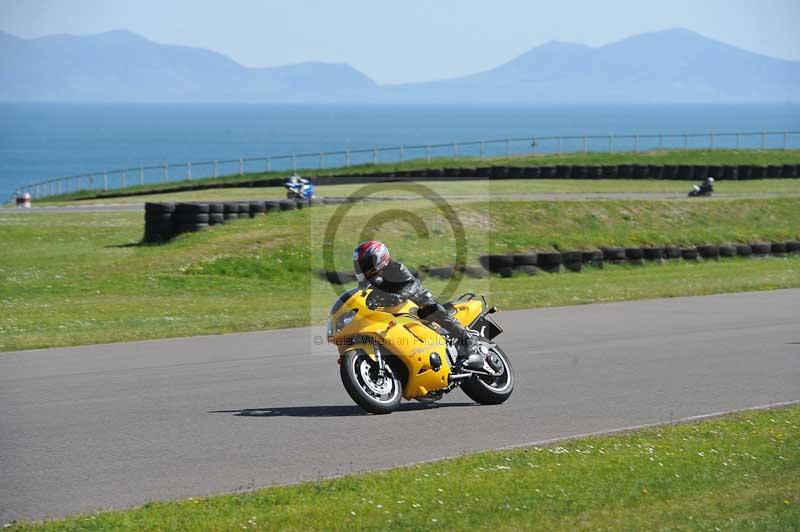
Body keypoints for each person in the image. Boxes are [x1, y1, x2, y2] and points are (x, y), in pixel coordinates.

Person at [353, 240, 483, 370]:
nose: (364, 268)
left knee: (428, 309)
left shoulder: (396, 268)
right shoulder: (367, 284)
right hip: (390, 311)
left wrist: (399, 295)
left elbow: (412, 284)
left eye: (367, 264)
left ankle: (467, 339)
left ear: (380, 257)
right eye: (361, 266)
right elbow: (360, 298)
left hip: (414, 300)